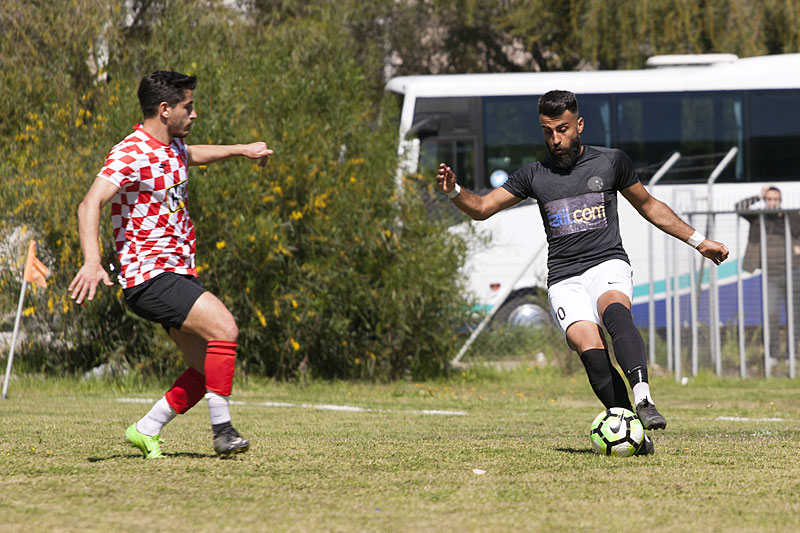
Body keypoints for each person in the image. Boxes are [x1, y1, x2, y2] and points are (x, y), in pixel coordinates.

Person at [436, 90, 729, 455]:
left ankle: (643, 399)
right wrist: (454, 191)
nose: (555, 139)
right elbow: (481, 208)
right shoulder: (533, 175)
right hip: (564, 276)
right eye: (547, 131)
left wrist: (699, 241)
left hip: (606, 261)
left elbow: (650, 206)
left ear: (579, 125)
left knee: (616, 312)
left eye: (562, 129)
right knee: (588, 347)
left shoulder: (610, 162)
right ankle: (631, 430)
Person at [68, 70, 273, 458]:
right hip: (148, 276)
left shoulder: (173, 146)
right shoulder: (131, 151)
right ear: (165, 110)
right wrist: (92, 261)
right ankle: (223, 431)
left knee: (205, 367)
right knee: (225, 328)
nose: (193, 115)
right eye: (187, 107)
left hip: (176, 273)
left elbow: (194, 155)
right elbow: (89, 203)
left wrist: (242, 149)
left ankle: (147, 428)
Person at [736, 186, 800, 362]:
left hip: (793, 272)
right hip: (770, 274)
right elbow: (739, 206)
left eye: (775, 199)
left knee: (794, 316)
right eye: (769, 199)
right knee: (771, 315)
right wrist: (759, 196)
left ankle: (791, 356)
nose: (772, 203)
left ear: (780, 200)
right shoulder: (758, 218)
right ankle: (772, 355)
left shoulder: (792, 216)